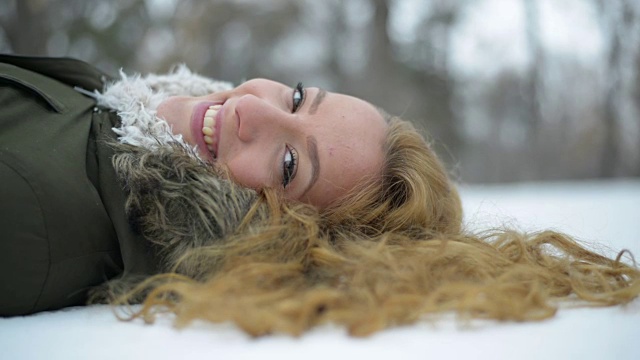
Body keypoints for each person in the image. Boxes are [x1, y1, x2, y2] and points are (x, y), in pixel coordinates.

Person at [1, 54, 638, 336]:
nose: (251, 104)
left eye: (287, 164)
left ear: (270, 232)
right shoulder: (115, 134)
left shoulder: (37, 209)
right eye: (299, 98)